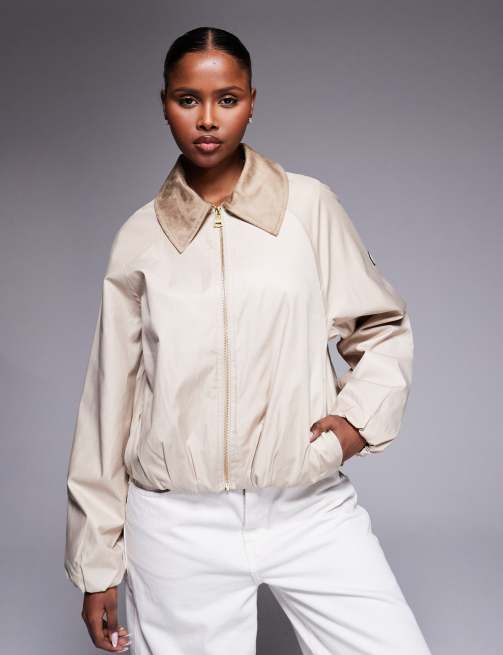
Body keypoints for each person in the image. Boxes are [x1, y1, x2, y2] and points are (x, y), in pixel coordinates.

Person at [64, 26, 432, 655]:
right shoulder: (139, 240)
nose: (207, 119)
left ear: (252, 101)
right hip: (176, 526)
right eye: (188, 99)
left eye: (227, 99)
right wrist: (96, 564)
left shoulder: (308, 208)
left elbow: (381, 327)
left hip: (306, 506)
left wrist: (355, 424)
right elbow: (108, 407)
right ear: (164, 104)